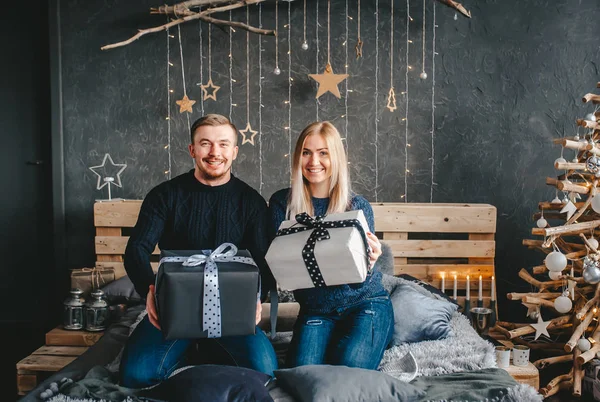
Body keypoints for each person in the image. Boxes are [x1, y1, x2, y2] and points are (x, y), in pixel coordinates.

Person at [119, 114, 278, 388]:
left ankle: (205, 349)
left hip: (232, 312)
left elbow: (266, 261)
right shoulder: (164, 195)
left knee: (264, 373)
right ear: (192, 150)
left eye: (223, 144)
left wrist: (257, 298)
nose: (215, 152)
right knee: (136, 375)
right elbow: (136, 250)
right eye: (205, 144)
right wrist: (149, 288)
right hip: (173, 308)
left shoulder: (251, 202)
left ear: (235, 152)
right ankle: (192, 348)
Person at [269, 121, 394, 370]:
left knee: (348, 371)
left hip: (365, 303)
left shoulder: (357, 206)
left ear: (335, 157)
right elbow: (282, 267)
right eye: (306, 152)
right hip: (316, 311)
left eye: (323, 153)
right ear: (297, 157)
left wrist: (370, 261)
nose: (313, 161)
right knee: (303, 373)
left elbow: (357, 279)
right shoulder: (282, 204)